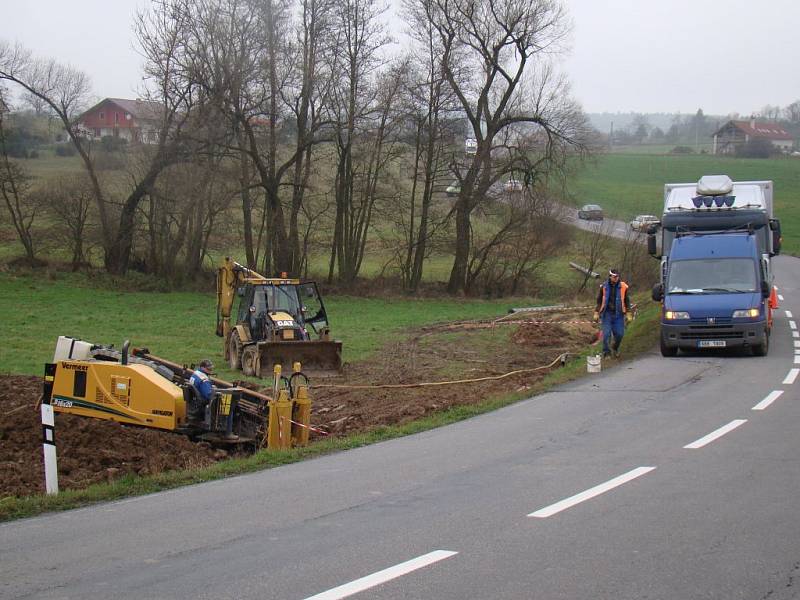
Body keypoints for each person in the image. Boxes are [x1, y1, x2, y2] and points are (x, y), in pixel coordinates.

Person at [593, 268, 632, 358]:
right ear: (610, 276)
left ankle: (615, 348)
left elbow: (627, 301)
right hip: (607, 314)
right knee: (606, 334)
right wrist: (596, 312)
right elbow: (599, 301)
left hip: (619, 314)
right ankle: (606, 353)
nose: (616, 278)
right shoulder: (604, 287)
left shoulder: (623, 287)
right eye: (614, 277)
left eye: (617, 276)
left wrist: (628, 313)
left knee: (620, 334)